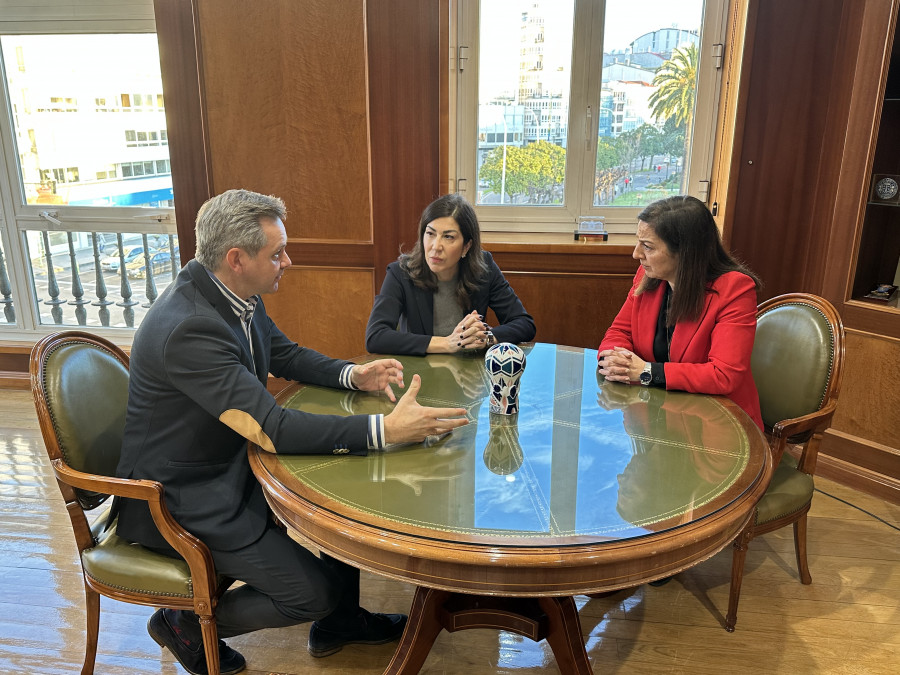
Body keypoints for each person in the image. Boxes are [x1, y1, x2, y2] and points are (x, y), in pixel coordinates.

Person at [115, 189, 469, 675]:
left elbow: (283, 353)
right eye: (276, 253)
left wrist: (353, 374)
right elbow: (272, 428)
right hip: (179, 498)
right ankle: (185, 625)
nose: (288, 260)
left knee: (341, 498)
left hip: (220, 469)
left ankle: (343, 623)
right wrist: (385, 430)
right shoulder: (190, 328)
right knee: (312, 593)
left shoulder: (229, 292)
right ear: (236, 259)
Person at [597, 195, 763, 430]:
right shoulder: (648, 276)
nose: (636, 254)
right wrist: (613, 360)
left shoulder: (735, 290)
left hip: (715, 426)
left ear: (685, 252)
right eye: (638, 242)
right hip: (654, 413)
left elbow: (723, 374)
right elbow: (619, 331)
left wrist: (646, 372)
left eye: (648, 246)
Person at [365, 193, 535, 356]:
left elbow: (524, 323)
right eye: (430, 234)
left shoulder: (484, 268)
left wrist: (486, 338)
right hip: (419, 373)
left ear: (466, 247)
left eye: (448, 237)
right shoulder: (400, 273)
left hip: (468, 374)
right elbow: (376, 336)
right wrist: (448, 343)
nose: (435, 246)